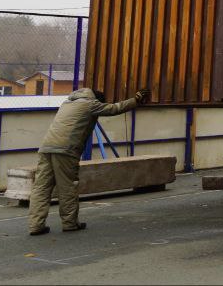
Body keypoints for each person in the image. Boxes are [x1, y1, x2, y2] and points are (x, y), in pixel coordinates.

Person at [28, 87, 149, 236]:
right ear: (98, 100)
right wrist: (135, 101)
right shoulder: (91, 104)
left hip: (46, 148)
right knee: (67, 187)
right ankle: (70, 223)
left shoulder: (68, 103)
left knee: (41, 187)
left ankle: (36, 225)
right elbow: (114, 109)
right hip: (66, 150)